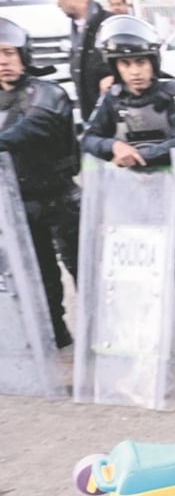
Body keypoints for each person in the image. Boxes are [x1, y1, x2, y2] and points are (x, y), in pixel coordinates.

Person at [0, 18, 81, 348]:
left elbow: (36, 123)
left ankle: (103, 334)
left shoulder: (48, 92)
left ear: (23, 54)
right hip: (20, 202)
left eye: (8, 53)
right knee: (38, 272)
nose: (3, 61)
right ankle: (54, 333)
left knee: (84, 268)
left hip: (61, 197)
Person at [82, 16, 175, 168]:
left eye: (141, 62)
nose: (135, 72)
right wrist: (113, 145)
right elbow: (88, 138)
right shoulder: (112, 98)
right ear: (115, 67)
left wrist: (137, 156)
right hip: (130, 183)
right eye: (125, 64)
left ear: (153, 62)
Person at [51, 0, 112, 124]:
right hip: (88, 113)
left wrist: (113, 77)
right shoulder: (74, 29)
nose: (58, 4)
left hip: (112, 112)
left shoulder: (108, 22)